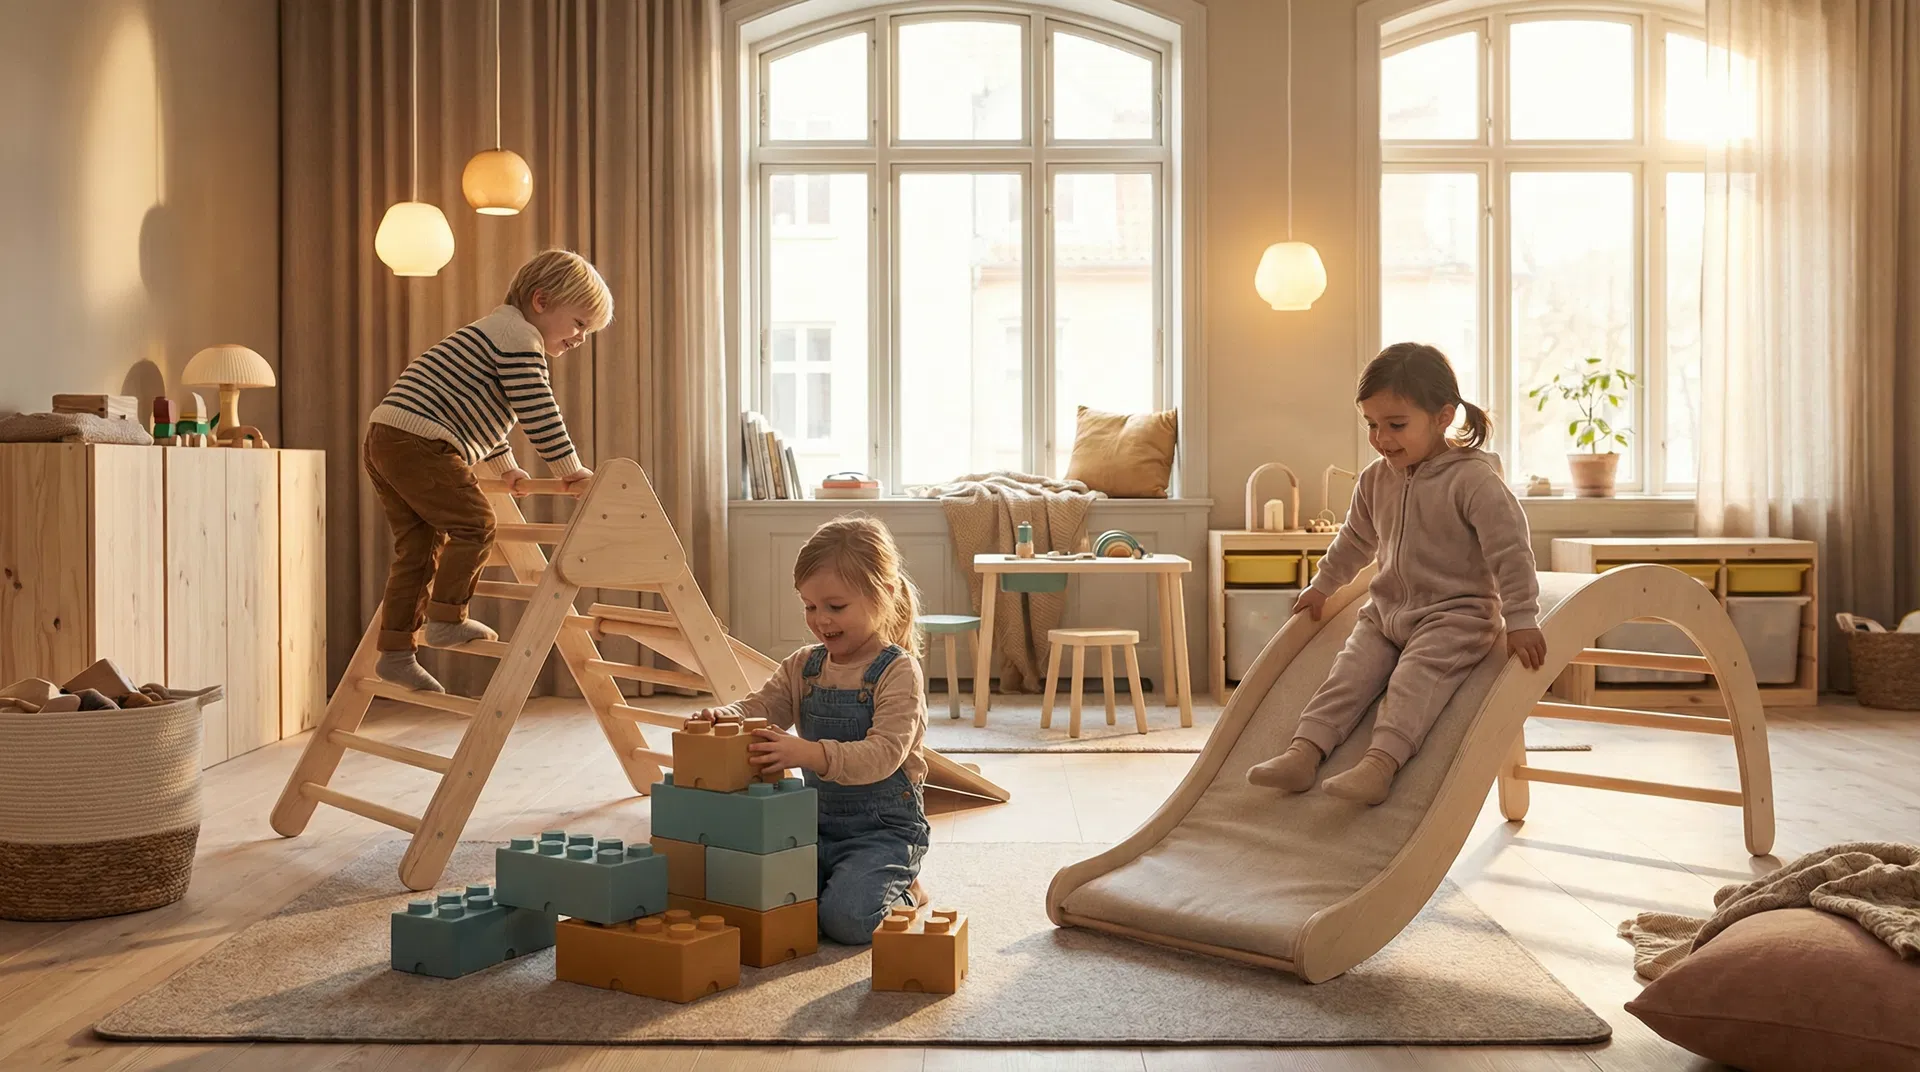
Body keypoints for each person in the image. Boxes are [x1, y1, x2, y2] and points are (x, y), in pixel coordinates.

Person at [1246, 342, 1547, 805]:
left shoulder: (1473, 481)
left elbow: (1510, 551)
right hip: (1386, 613)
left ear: (1444, 416)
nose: (1382, 437)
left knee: (1415, 680)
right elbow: (1354, 540)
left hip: (1456, 616)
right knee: (1348, 674)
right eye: (1372, 424)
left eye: (1396, 425)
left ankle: (1379, 766)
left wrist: (1522, 617)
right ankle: (1304, 753)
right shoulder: (1375, 479)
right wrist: (1323, 584)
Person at [364, 249, 610, 693]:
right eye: (578, 323)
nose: (580, 338)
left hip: (390, 437)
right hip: (419, 442)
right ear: (541, 301)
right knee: (476, 525)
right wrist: (570, 469)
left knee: (418, 549)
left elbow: (482, 410)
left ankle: (396, 652)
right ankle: (446, 619)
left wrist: (506, 466)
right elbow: (537, 410)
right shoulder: (518, 339)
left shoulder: (497, 334)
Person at [696, 516, 933, 944]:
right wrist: (725, 715)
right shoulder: (803, 666)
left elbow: (883, 755)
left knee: (845, 921)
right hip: (814, 828)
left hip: (884, 832)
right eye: (809, 606)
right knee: (751, 894)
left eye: (835, 607)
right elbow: (762, 707)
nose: (820, 620)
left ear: (884, 595)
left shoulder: (897, 671)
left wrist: (810, 754)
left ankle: (906, 889)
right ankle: (847, 881)